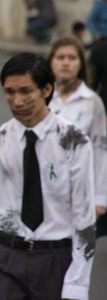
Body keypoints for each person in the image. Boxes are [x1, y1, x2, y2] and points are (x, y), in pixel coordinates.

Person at [0, 53, 96, 300]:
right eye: (9, 92)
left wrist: (77, 284)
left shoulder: (73, 141)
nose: (17, 101)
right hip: (7, 257)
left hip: (54, 258)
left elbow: (84, 215)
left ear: (46, 89)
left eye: (26, 91)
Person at [48, 36, 107, 221]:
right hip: (44, 188)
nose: (66, 63)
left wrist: (100, 197)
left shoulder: (92, 102)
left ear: (81, 64)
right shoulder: (41, 98)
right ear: (51, 62)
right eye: (60, 57)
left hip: (78, 189)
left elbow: (100, 149)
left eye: (72, 58)